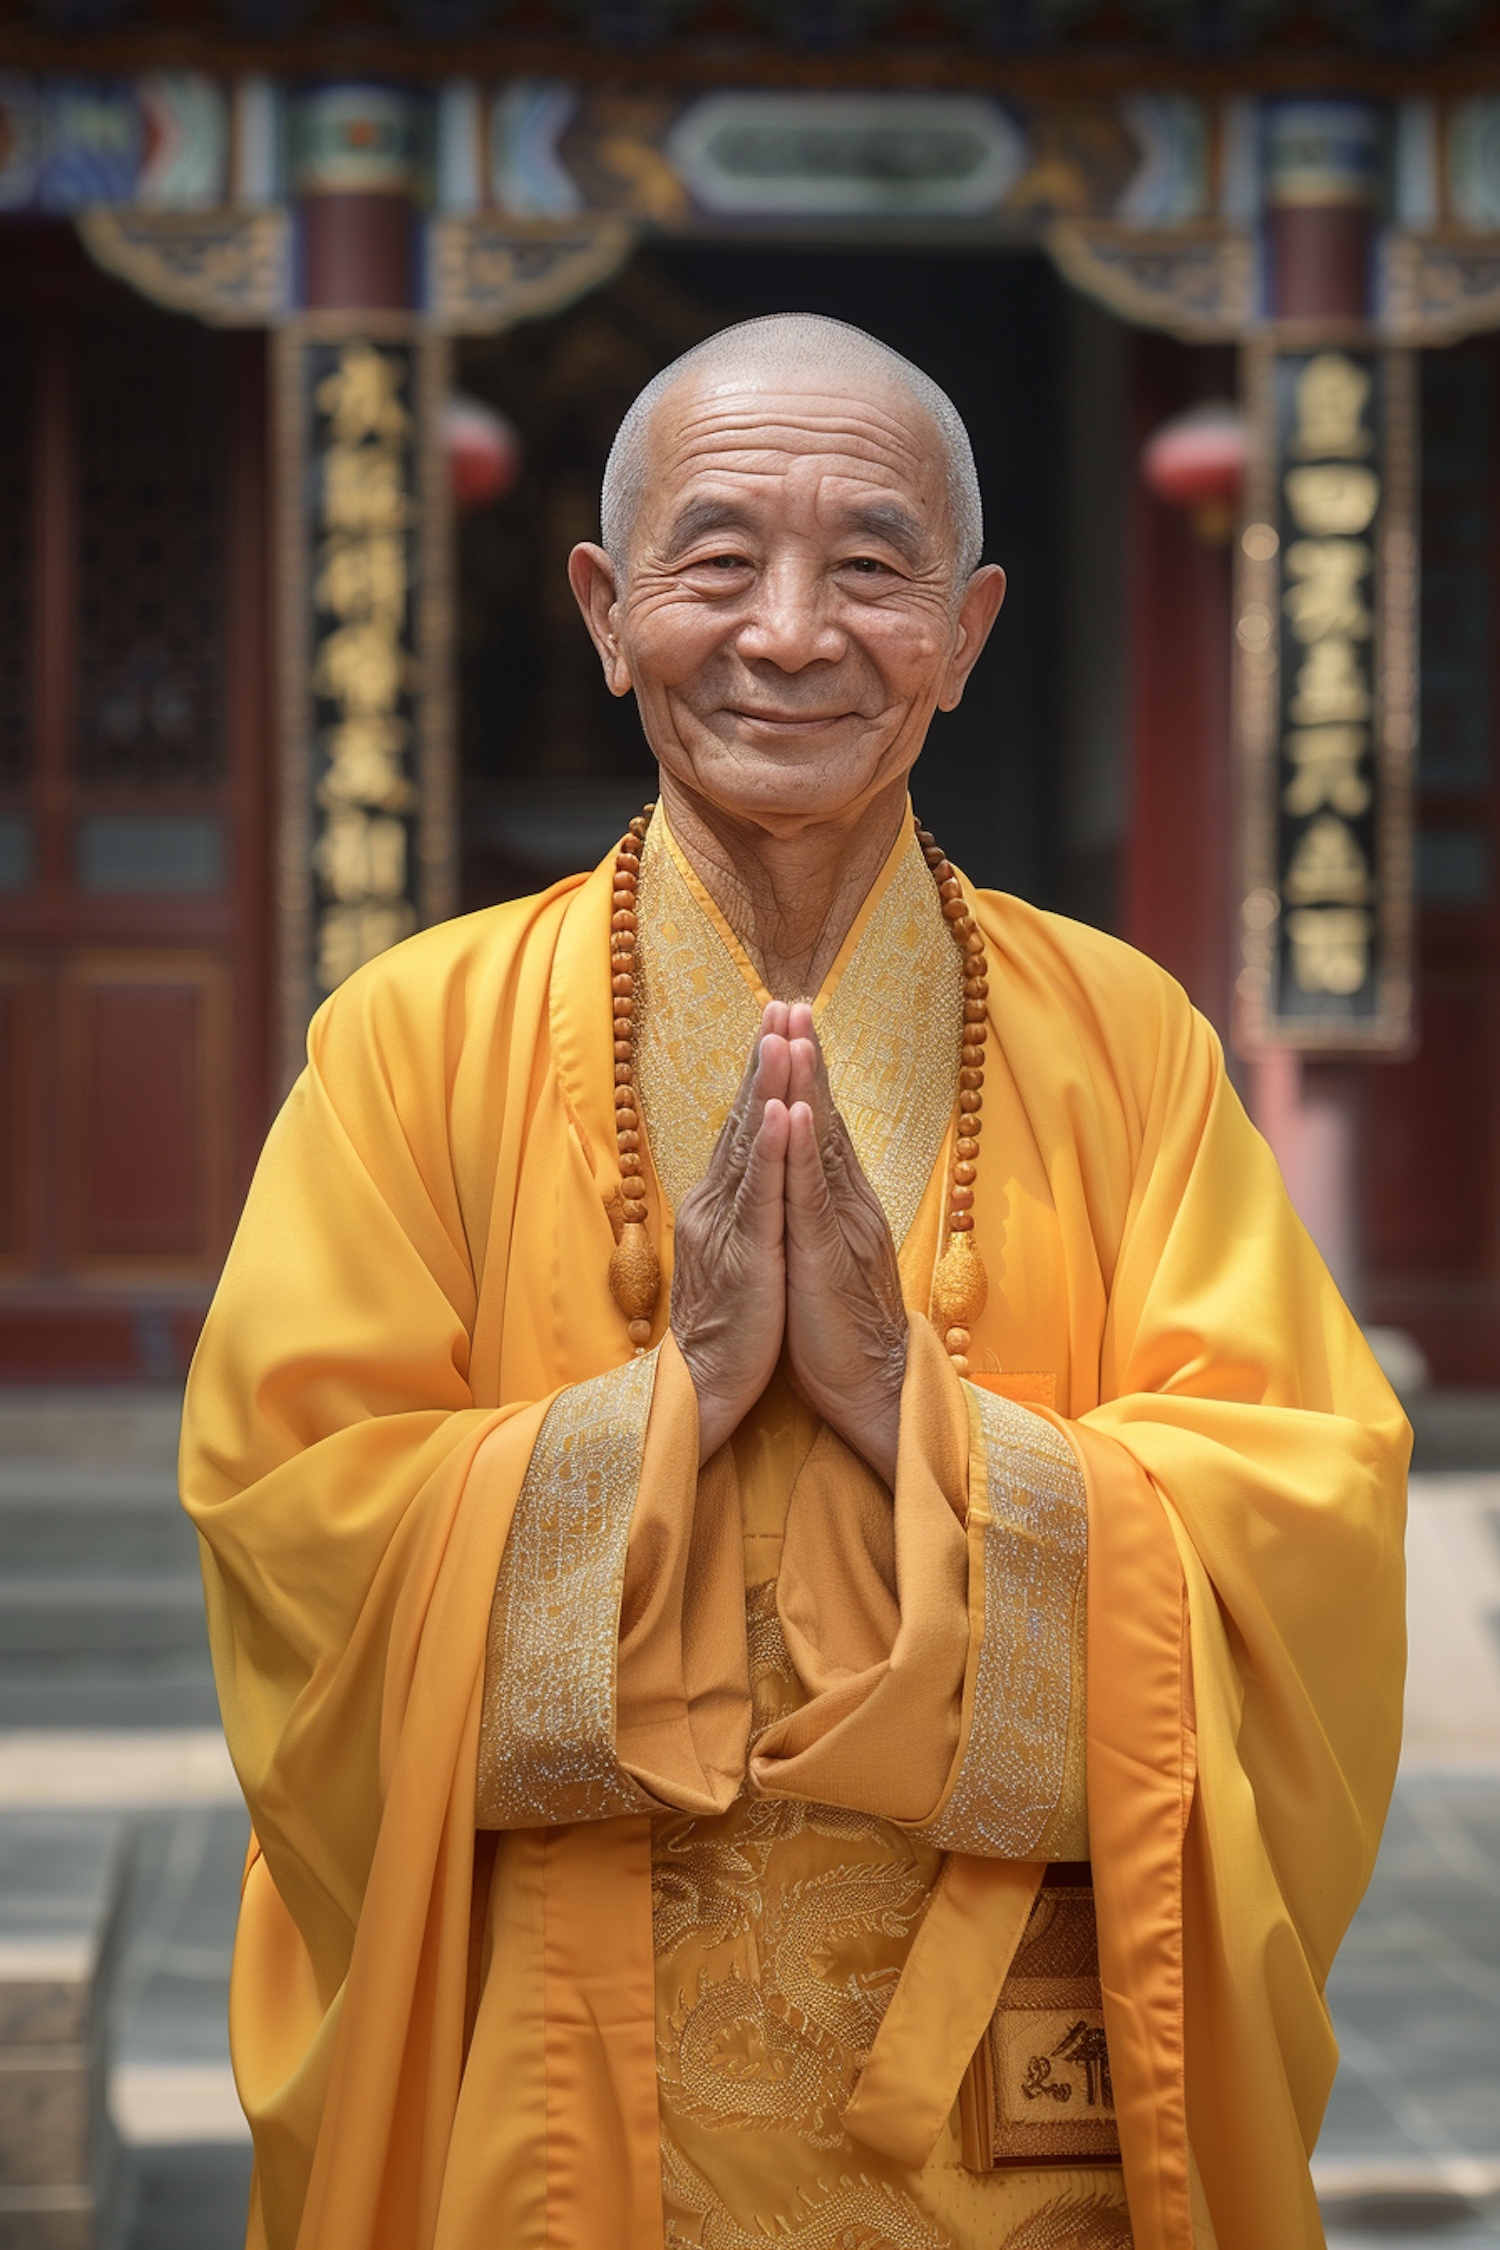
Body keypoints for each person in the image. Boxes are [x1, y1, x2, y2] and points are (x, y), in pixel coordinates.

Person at [182, 314, 1408, 2250]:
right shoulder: (411, 1040)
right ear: (603, 608)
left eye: (869, 567)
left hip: (1011, 2095)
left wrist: (895, 1405)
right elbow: (292, 1532)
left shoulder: (1127, 1040)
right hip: (565, 2089)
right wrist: (660, 1409)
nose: (787, 633)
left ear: (972, 628)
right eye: (717, 556)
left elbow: (1302, 1523)